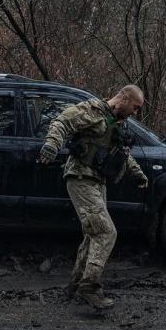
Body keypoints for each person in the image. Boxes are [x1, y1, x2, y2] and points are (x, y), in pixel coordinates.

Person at [38, 85, 149, 309]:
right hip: (80, 178)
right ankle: (89, 287)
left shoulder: (116, 122)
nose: (135, 113)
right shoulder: (92, 110)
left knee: (92, 236)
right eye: (135, 108)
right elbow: (62, 122)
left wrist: (137, 174)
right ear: (124, 99)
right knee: (106, 232)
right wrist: (52, 144)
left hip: (98, 182)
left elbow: (121, 154)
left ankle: (74, 287)